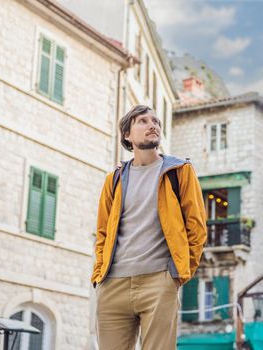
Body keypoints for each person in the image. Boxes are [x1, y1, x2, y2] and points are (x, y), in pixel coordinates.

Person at [91, 105, 207, 350]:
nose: (152, 124)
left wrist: (177, 276)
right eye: (142, 121)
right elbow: (102, 231)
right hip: (113, 283)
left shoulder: (179, 171)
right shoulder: (114, 179)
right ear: (127, 135)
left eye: (156, 121)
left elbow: (197, 227)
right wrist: (99, 274)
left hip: (159, 281)